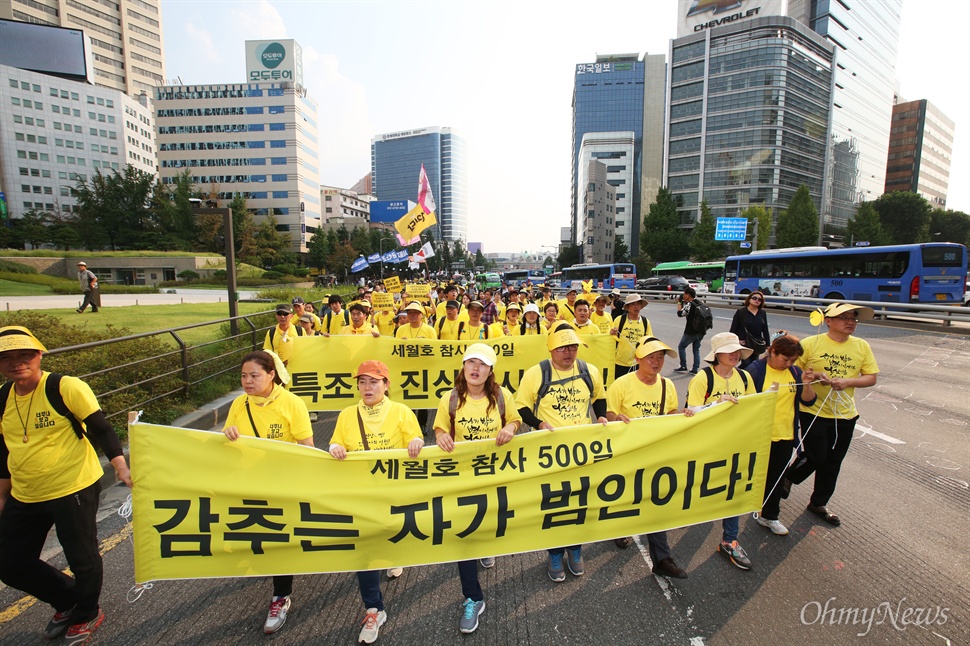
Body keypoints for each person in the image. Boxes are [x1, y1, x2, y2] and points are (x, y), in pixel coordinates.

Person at [0, 325, 131, 644]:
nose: (18, 362)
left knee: (81, 555)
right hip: (26, 491)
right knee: (9, 561)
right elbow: (2, 447)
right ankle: (68, 599)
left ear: (39, 355)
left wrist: (120, 465)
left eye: (25, 355)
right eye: (8, 357)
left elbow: (101, 428)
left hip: (73, 486)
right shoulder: (3, 396)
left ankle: (87, 611)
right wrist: (3, 493)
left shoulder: (64, 387)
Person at [329, 361, 424, 644]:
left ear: (386, 385)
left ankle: (393, 556)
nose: (367, 387)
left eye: (374, 381)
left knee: (391, 535)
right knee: (366, 551)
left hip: (394, 493)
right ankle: (374, 609)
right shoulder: (347, 415)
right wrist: (335, 448)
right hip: (361, 496)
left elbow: (415, 438)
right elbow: (336, 443)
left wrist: (416, 442)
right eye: (362, 382)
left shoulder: (402, 412)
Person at [221, 350, 313, 634]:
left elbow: (307, 448)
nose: (247, 381)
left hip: (283, 485)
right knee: (259, 533)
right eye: (243, 376)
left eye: (254, 375)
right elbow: (225, 441)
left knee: (278, 538)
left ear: (272, 375)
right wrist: (229, 436)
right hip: (250, 483)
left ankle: (281, 596)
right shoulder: (239, 404)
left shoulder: (292, 404)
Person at [433, 344, 521, 633]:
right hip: (462, 479)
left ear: (491, 371)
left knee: (491, 524)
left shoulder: (501, 395)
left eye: (482, 364)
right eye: (471, 362)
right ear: (463, 367)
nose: (475, 368)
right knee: (464, 536)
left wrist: (511, 428)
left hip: (495, 476)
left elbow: (515, 419)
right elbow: (439, 428)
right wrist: (442, 435)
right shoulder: (451, 398)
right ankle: (473, 597)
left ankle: (485, 546)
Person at [515, 323, 607, 582]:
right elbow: (521, 406)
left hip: (583, 452)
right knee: (555, 504)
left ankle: (576, 550)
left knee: (579, 502)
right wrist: (539, 424)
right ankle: (555, 553)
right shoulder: (537, 373)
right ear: (551, 349)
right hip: (550, 453)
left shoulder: (590, 371)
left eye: (572, 346)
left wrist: (600, 416)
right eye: (562, 347)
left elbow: (599, 396)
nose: (568, 352)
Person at [784, 303, 879, 527]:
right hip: (813, 410)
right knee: (816, 456)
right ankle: (788, 477)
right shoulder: (810, 343)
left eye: (854, 318)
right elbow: (790, 369)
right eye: (844, 317)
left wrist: (847, 381)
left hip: (845, 415)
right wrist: (813, 375)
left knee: (833, 462)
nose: (850, 322)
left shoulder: (861, 346)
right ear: (828, 321)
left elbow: (871, 377)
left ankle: (818, 503)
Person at [605, 336, 691, 578]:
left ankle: (662, 559)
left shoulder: (667, 385)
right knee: (626, 496)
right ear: (638, 359)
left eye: (660, 357)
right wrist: (616, 419)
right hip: (627, 453)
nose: (656, 362)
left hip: (655, 453)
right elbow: (609, 414)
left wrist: (680, 415)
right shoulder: (621, 384)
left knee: (656, 501)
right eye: (650, 357)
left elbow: (671, 413)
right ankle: (620, 528)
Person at [685, 332, 756, 570]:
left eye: (738, 351)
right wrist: (715, 405)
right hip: (706, 446)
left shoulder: (745, 377)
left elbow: (753, 407)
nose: (736, 355)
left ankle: (729, 540)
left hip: (735, 445)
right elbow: (691, 411)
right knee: (698, 486)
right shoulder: (703, 378)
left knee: (733, 490)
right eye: (730, 351)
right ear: (717, 356)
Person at [745, 334, 819, 535]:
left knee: (776, 478)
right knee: (752, 476)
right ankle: (739, 510)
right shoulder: (755, 371)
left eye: (792, 360)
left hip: (785, 435)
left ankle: (769, 516)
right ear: (773, 352)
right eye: (785, 359)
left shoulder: (795, 373)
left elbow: (809, 401)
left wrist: (806, 384)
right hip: (758, 435)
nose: (788, 364)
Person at [610, 294, 653, 379]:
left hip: (638, 363)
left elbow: (649, 341)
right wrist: (611, 333)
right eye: (633, 304)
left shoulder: (645, 322)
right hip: (620, 363)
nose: (636, 307)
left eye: (638, 304)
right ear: (628, 307)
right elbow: (611, 339)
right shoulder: (619, 320)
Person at [729, 291, 769, 369]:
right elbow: (733, 329)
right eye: (754, 298)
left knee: (753, 363)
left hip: (756, 343)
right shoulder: (741, 312)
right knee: (746, 363)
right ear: (749, 299)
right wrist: (735, 341)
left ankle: (747, 379)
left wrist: (768, 344)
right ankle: (735, 373)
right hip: (744, 343)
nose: (757, 300)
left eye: (759, 299)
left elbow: (765, 329)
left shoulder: (762, 313)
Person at [675, 287, 706, 375]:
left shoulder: (690, 304)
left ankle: (683, 366)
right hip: (701, 331)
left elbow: (680, 314)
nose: (683, 296)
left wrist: (679, 303)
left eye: (684, 294)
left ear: (688, 295)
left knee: (681, 346)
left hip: (691, 331)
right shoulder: (701, 303)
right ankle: (695, 369)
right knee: (696, 349)